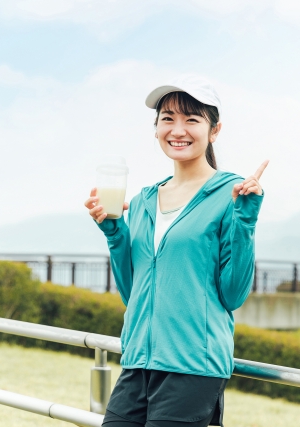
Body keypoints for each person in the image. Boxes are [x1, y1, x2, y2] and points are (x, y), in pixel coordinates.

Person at [84, 74, 268, 427]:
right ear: (156, 130)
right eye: (167, 118)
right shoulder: (142, 201)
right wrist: (114, 232)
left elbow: (233, 294)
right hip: (137, 362)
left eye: (192, 119)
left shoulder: (232, 194)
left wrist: (246, 219)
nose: (177, 129)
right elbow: (131, 293)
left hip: (193, 368)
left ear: (214, 130)